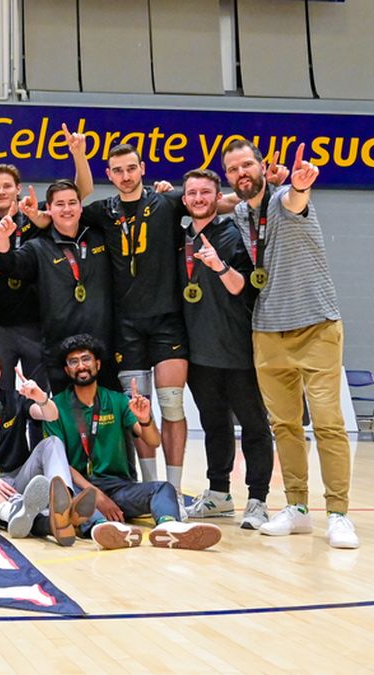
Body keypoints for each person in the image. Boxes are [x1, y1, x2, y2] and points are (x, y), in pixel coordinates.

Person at [223, 140, 357, 548]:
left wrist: (299, 185)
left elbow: (295, 200)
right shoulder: (242, 212)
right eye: (233, 169)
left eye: (247, 165)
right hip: (267, 330)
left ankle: (338, 514)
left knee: (328, 423)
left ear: (263, 165)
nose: (242, 173)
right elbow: (227, 200)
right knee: (284, 425)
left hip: (316, 326)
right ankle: (297, 507)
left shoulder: (285, 199)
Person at [71, 140, 191, 494]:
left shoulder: (167, 201)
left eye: (131, 169)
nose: (125, 176)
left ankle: (174, 489)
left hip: (167, 321)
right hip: (126, 327)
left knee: (172, 406)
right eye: (118, 171)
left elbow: (214, 200)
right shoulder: (103, 211)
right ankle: (152, 488)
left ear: (143, 169)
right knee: (139, 410)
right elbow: (70, 203)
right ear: (109, 175)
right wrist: (79, 156)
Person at [44, 334, 221, 551]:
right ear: (67, 370)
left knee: (163, 488)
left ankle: (169, 527)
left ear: (97, 364)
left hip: (118, 487)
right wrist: (96, 495)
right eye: (74, 361)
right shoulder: (55, 407)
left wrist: (145, 419)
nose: (81, 366)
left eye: (86, 359)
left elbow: (153, 441)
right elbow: (60, 462)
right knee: (80, 504)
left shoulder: (118, 401)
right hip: (81, 488)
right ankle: (105, 529)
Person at [177, 169, 273, 530]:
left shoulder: (234, 234)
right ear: (184, 200)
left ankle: (258, 499)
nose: (199, 198)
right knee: (213, 424)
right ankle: (218, 494)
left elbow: (241, 287)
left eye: (206, 192)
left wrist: (219, 265)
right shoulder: (180, 239)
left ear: (218, 198)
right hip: (199, 353)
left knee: (253, 426)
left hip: (238, 350)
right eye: (192, 193)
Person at [0, 346, 99, 545]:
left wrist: (41, 397)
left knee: (52, 443)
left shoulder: (15, 399)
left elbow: (51, 416)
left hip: (21, 478)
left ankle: (63, 504)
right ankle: (53, 520)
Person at [0, 180, 114, 391]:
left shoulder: (100, 236)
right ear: (48, 209)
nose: (67, 209)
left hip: (103, 346)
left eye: (72, 203)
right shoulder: (38, 247)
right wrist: (2, 239)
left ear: (81, 207)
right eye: (59, 204)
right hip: (60, 350)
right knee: (64, 410)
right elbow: (8, 265)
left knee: (110, 408)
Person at [0, 164, 48, 394]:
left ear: (18, 188)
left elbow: (79, 193)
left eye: (7, 186)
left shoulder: (36, 216)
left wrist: (78, 154)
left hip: (36, 321)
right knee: (0, 394)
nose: (1, 191)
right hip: (0, 323)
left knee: (37, 395)